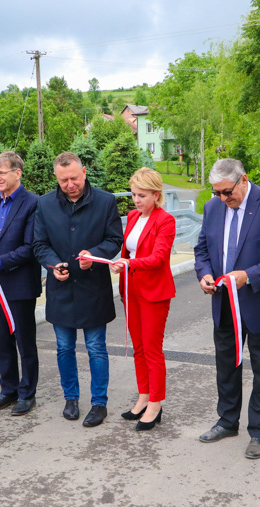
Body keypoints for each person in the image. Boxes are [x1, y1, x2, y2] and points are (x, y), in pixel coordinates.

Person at [194, 158, 260, 460]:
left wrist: (247, 275)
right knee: (226, 365)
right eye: (217, 193)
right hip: (223, 301)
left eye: (228, 192)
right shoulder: (213, 207)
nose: (224, 199)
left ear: (243, 180)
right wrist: (204, 274)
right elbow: (202, 248)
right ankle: (227, 421)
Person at [33, 152, 124, 427]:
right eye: (63, 180)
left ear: (84, 172)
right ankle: (70, 398)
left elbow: (114, 240)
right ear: (56, 178)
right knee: (64, 348)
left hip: (93, 286)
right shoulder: (45, 204)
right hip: (61, 289)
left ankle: (99, 403)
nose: (70, 184)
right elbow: (39, 244)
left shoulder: (106, 201)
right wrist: (52, 264)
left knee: (96, 348)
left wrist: (93, 255)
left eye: (74, 177)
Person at [0, 152, 42, 416]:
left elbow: (30, 248)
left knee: (24, 341)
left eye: (2, 172)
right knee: (2, 340)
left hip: (20, 284)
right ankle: (8, 390)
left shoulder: (33, 203)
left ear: (18, 173)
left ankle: (27, 394)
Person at [109, 168, 176, 431]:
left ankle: (156, 404)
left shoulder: (165, 221)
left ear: (156, 195)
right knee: (138, 347)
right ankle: (144, 397)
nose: (136, 200)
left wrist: (129, 263)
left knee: (152, 349)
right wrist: (120, 264)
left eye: (142, 195)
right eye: (134, 195)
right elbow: (129, 249)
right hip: (131, 289)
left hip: (154, 292)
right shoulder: (134, 216)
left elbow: (159, 258)